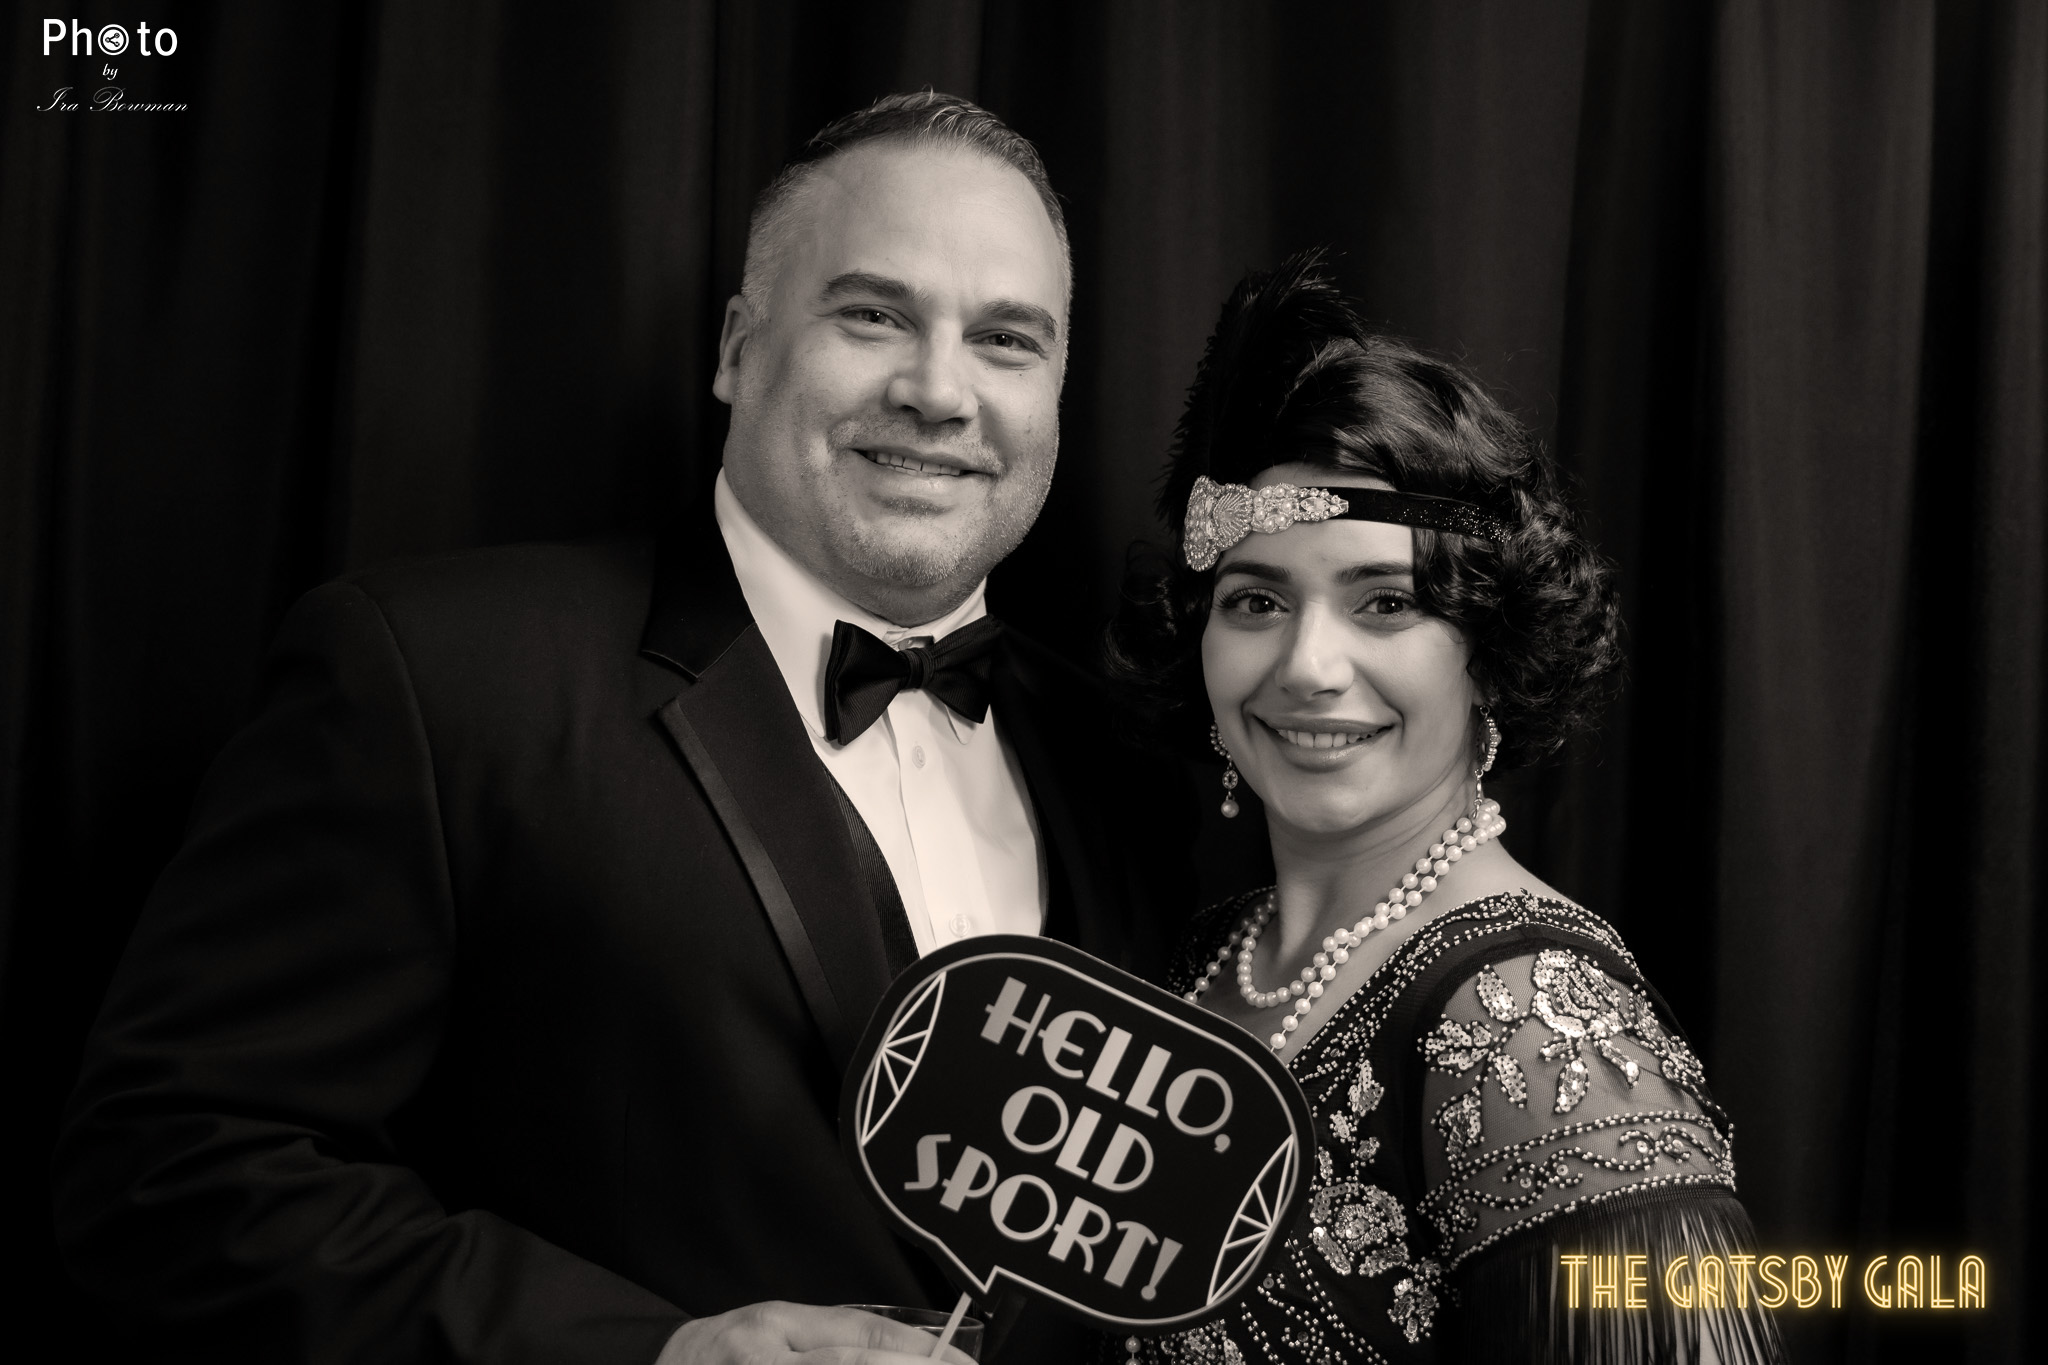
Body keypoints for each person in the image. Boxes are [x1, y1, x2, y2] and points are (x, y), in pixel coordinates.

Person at [53, 92, 1193, 1364]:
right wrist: (653, 1353)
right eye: (872, 315)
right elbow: (170, 1169)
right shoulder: (434, 677)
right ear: (737, 349)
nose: (938, 390)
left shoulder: (1132, 765)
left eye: (1005, 340)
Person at [1104, 253, 1783, 1362]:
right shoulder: (1205, 957)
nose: (1307, 667)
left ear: (1490, 650)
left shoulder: (1536, 1034)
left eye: (1384, 603)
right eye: (1256, 600)